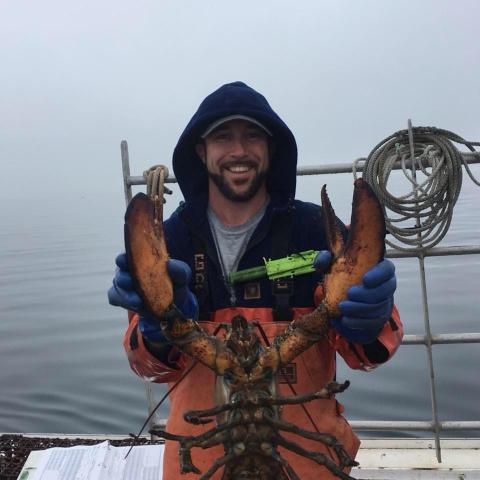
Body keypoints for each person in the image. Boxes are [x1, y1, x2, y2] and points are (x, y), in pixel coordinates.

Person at [108, 81, 403, 479]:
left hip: (306, 467)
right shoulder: (170, 240)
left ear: (271, 148)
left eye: (252, 136)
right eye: (223, 137)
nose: (239, 151)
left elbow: (366, 353)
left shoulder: (315, 230)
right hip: (202, 469)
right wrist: (156, 333)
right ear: (201, 150)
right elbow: (145, 364)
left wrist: (368, 325)